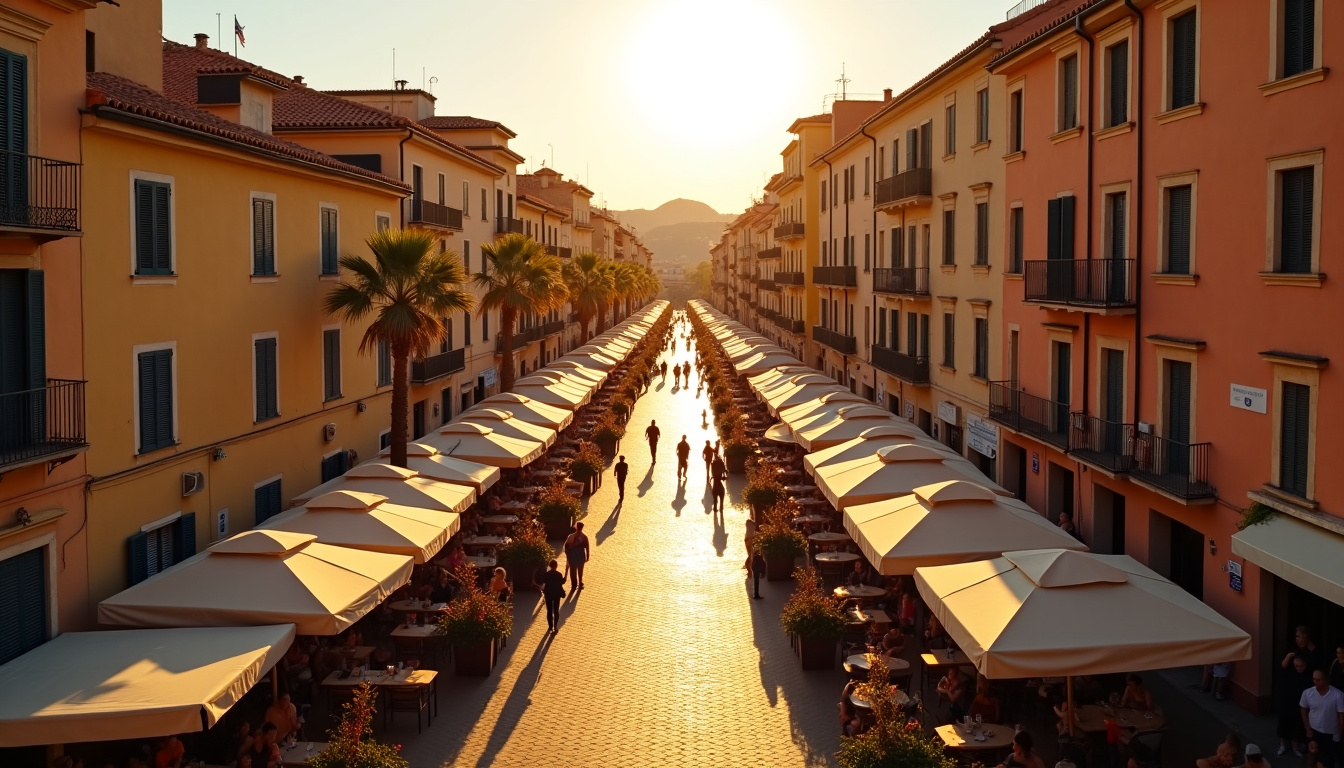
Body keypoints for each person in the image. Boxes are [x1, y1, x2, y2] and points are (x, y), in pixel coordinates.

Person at [1300, 668, 1344, 764]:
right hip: (1313, 730)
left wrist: (1339, 732)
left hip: (1330, 733)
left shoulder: (1338, 695)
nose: (1315, 682)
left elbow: (1341, 716)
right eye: (1314, 679)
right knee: (1311, 754)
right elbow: (1303, 709)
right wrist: (1307, 728)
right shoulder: (1308, 693)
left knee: (1328, 759)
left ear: (1326, 680)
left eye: (1318, 680)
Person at [1278, 655, 1313, 756]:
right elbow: (1283, 667)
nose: (1299, 668)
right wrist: (1288, 656)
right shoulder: (1290, 671)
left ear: (1305, 665)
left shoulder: (1308, 675)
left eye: (1301, 666)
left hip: (1300, 705)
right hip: (1286, 703)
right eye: (1296, 666)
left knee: (1297, 727)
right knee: (1284, 724)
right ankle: (1282, 744)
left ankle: (1295, 746)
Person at [536, 559, 567, 632]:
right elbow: (562, 582)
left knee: (549, 611)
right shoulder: (559, 574)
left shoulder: (546, 574)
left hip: (548, 594)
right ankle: (555, 627)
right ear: (556, 566)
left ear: (549, 566)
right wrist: (566, 572)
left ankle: (550, 627)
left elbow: (543, 582)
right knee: (556, 610)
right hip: (556, 594)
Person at [564, 522, 590, 590]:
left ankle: (574, 584)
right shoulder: (584, 537)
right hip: (581, 555)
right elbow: (587, 547)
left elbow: (566, 546)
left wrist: (567, 555)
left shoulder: (571, 536)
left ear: (576, 527)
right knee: (580, 570)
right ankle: (580, 582)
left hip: (572, 555)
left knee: (573, 570)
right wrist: (587, 556)